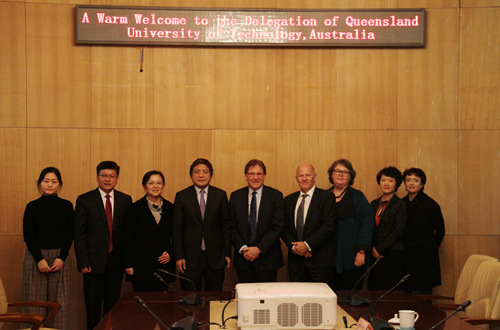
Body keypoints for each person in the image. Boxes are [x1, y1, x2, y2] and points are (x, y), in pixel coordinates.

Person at [74, 161, 132, 330]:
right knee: (92, 307)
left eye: (111, 176)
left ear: (117, 178)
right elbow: (79, 234)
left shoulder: (125, 200)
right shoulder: (85, 200)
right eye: (104, 176)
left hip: (116, 262)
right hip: (92, 263)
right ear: (97, 176)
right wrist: (83, 261)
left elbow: (127, 235)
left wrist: (127, 261)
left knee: (113, 306)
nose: (108, 179)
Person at [22, 167, 73, 329]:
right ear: (39, 184)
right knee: (34, 302)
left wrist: (62, 258)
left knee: (59, 302)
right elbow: (28, 235)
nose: (49, 184)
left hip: (60, 258)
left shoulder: (66, 206)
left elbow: (70, 234)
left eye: (54, 181)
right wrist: (39, 259)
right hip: (36, 258)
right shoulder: (32, 206)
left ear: (59, 185)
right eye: (46, 181)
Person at [173, 158, 232, 291]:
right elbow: (177, 230)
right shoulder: (182, 196)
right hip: (189, 258)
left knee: (215, 298)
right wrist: (179, 256)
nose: (201, 175)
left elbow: (226, 227)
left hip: (215, 256)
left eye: (205, 172)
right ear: (191, 175)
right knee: (190, 298)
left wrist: (227, 253)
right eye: (197, 172)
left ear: (211, 175)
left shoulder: (220, 195)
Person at [230, 159, 284, 283]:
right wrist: (244, 248)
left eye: (259, 174)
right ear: (245, 176)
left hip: (268, 258)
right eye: (251, 174)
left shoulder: (276, 196)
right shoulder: (235, 196)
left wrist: (258, 249)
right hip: (244, 258)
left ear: (264, 175)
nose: (255, 177)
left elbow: (278, 226)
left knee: (267, 299)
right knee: (246, 299)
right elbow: (231, 226)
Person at [282, 163, 336, 286]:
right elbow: (283, 227)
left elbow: (329, 225)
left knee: (321, 302)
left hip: (319, 262)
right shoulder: (289, 200)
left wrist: (307, 245)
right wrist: (295, 248)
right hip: (296, 262)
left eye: (308, 175)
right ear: (297, 178)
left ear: (314, 177)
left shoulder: (326, 197)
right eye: (301, 175)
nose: (304, 178)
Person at [124, 170, 175, 292]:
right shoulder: (134, 208)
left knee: (161, 306)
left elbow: (177, 235)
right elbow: (127, 238)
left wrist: (171, 254)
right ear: (144, 186)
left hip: (163, 265)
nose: (155, 186)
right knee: (142, 305)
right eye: (151, 183)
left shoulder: (171, 208)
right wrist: (128, 264)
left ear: (163, 185)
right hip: (141, 266)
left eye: (159, 183)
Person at [327, 159, 374, 290]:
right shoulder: (323, 196)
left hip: (352, 256)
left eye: (345, 172)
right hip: (328, 257)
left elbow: (367, 223)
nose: (341, 174)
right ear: (331, 174)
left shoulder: (358, 197)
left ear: (350, 176)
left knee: (350, 295)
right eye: (337, 171)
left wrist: (362, 251)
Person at [403, 168, 445, 294]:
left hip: (424, 255)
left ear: (422, 184)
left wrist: (430, 247)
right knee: (405, 292)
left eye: (416, 180)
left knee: (422, 292)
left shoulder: (430, 204)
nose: (411, 183)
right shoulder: (401, 203)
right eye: (408, 180)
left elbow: (440, 231)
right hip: (405, 254)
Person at [368, 166, 407, 290]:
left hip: (392, 254)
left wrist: (380, 248)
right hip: (374, 254)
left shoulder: (400, 204)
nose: (386, 183)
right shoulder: (373, 204)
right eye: (383, 180)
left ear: (396, 184)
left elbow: (398, 230)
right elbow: (368, 228)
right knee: (374, 289)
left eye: (390, 181)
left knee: (390, 290)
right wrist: (372, 248)